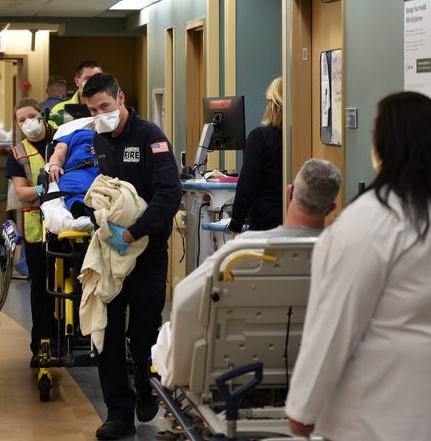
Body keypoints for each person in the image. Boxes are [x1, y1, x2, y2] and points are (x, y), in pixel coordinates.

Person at [286, 91, 431, 441]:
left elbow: (336, 321)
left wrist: (303, 407)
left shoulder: (371, 220)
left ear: (384, 147)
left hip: (376, 410)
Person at [151, 158, 341, 389]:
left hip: (233, 370)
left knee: (168, 333)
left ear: (290, 193)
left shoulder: (244, 251)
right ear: (331, 208)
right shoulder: (339, 257)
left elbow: (183, 302)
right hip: (311, 370)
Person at [81, 72, 182, 440]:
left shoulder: (151, 137)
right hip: (112, 252)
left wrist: (134, 232)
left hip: (147, 251)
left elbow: (168, 195)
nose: (100, 115)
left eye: (104, 106)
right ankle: (118, 412)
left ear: (120, 98)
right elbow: (109, 192)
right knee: (105, 329)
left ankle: (144, 384)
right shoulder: (99, 138)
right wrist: (104, 223)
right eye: (93, 110)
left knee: (142, 332)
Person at [5, 98, 56, 365]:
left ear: (42, 115)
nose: (28, 123)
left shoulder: (62, 139)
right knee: (41, 286)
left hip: (67, 222)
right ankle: (41, 342)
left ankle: (70, 337)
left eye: (32, 116)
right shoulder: (18, 153)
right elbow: (22, 191)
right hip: (37, 225)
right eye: (21, 120)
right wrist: (39, 191)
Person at [227, 76, 283, 234]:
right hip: (296, 223)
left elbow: (247, 184)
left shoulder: (260, 137)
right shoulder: (304, 140)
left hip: (264, 225)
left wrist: (236, 224)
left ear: (272, 104)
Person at [45, 117, 98, 218]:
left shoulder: (114, 135)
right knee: (68, 182)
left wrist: (106, 147)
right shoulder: (72, 134)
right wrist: (54, 165)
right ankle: (83, 208)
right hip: (79, 170)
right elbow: (58, 154)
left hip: (106, 168)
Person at [48, 60, 103, 129]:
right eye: (88, 79)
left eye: (97, 78)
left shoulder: (110, 109)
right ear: (77, 81)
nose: (93, 83)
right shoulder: (59, 110)